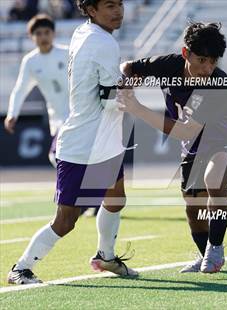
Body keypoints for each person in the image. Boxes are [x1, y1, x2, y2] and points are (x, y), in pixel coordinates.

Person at [7, 0, 137, 285]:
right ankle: (21, 267)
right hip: (83, 143)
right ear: (91, 10)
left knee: (115, 196)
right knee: (66, 220)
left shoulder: (84, 32)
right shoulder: (103, 43)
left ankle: (106, 255)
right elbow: (110, 99)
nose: (118, 11)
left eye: (120, 4)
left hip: (100, 139)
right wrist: (131, 84)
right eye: (109, 5)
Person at [119, 22, 227, 273]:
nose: (208, 68)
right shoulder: (166, 64)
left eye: (213, 62)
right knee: (193, 209)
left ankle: (216, 249)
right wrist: (127, 82)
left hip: (225, 137)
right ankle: (205, 256)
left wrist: (138, 109)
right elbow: (127, 67)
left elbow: (185, 129)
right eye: (202, 60)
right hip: (193, 144)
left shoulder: (218, 82)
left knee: (214, 178)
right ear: (186, 53)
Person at [4, 14, 69, 167]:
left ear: (53, 33)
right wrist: (12, 114)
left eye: (47, 32)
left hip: (79, 113)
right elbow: (20, 89)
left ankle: (75, 187)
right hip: (58, 117)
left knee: (57, 155)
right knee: (61, 157)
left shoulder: (67, 53)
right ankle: (75, 188)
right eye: (38, 33)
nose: (43, 37)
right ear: (31, 37)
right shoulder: (31, 62)